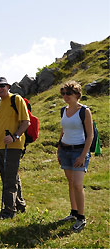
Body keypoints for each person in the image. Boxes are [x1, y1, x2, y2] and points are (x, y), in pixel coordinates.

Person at [0, 77, 29, 219]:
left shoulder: (17, 99)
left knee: (8, 178)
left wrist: (14, 137)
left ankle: (9, 211)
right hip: (0, 146)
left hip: (13, 146)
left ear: (8, 86)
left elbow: (26, 122)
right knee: (11, 176)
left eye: (1, 86)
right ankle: (20, 205)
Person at [58, 81, 92, 232]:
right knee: (71, 183)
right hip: (65, 150)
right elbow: (63, 130)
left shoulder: (84, 111)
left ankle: (81, 217)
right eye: (63, 93)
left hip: (79, 151)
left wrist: (83, 156)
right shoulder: (63, 110)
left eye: (68, 93)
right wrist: (58, 149)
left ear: (77, 95)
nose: (65, 96)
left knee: (78, 184)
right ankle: (73, 212)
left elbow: (90, 136)